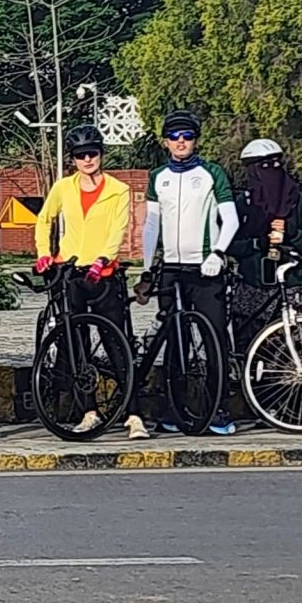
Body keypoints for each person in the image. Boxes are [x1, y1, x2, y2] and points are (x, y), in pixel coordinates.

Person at [138, 109, 238, 437]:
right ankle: (174, 408)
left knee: (214, 339)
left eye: (188, 136)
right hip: (171, 268)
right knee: (174, 342)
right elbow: (152, 224)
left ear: (195, 140)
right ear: (166, 142)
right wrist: (147, 267)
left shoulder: (212, 173)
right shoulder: (158, 177)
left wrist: (218, 253)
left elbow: (230, 219)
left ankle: (217, 408)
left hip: (205, 268)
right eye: (175, 137)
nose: (181, 142)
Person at [33, 123, 132, 434]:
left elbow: (118, 230)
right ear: (73, 160)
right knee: (78, 347)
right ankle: (88, 411)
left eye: (93, 153)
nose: (88, 159)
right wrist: (43, 252)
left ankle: (133, 413)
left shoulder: (119, 190)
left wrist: (103, 258)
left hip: (103, 274)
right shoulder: (64, 187)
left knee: (117, 344)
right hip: (71, 273)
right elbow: (44, 218)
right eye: (80, 155)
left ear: (101, 154)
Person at [229, 138, 302, 361]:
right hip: (251, 287)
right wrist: (256, 244)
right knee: (251, 352)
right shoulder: (242, 204)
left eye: (275, 165)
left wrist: (290, 231)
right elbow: (229, 245)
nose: (270, 172)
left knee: (297, 354)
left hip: (291, 286)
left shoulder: (297, 201)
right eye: (262, 167)